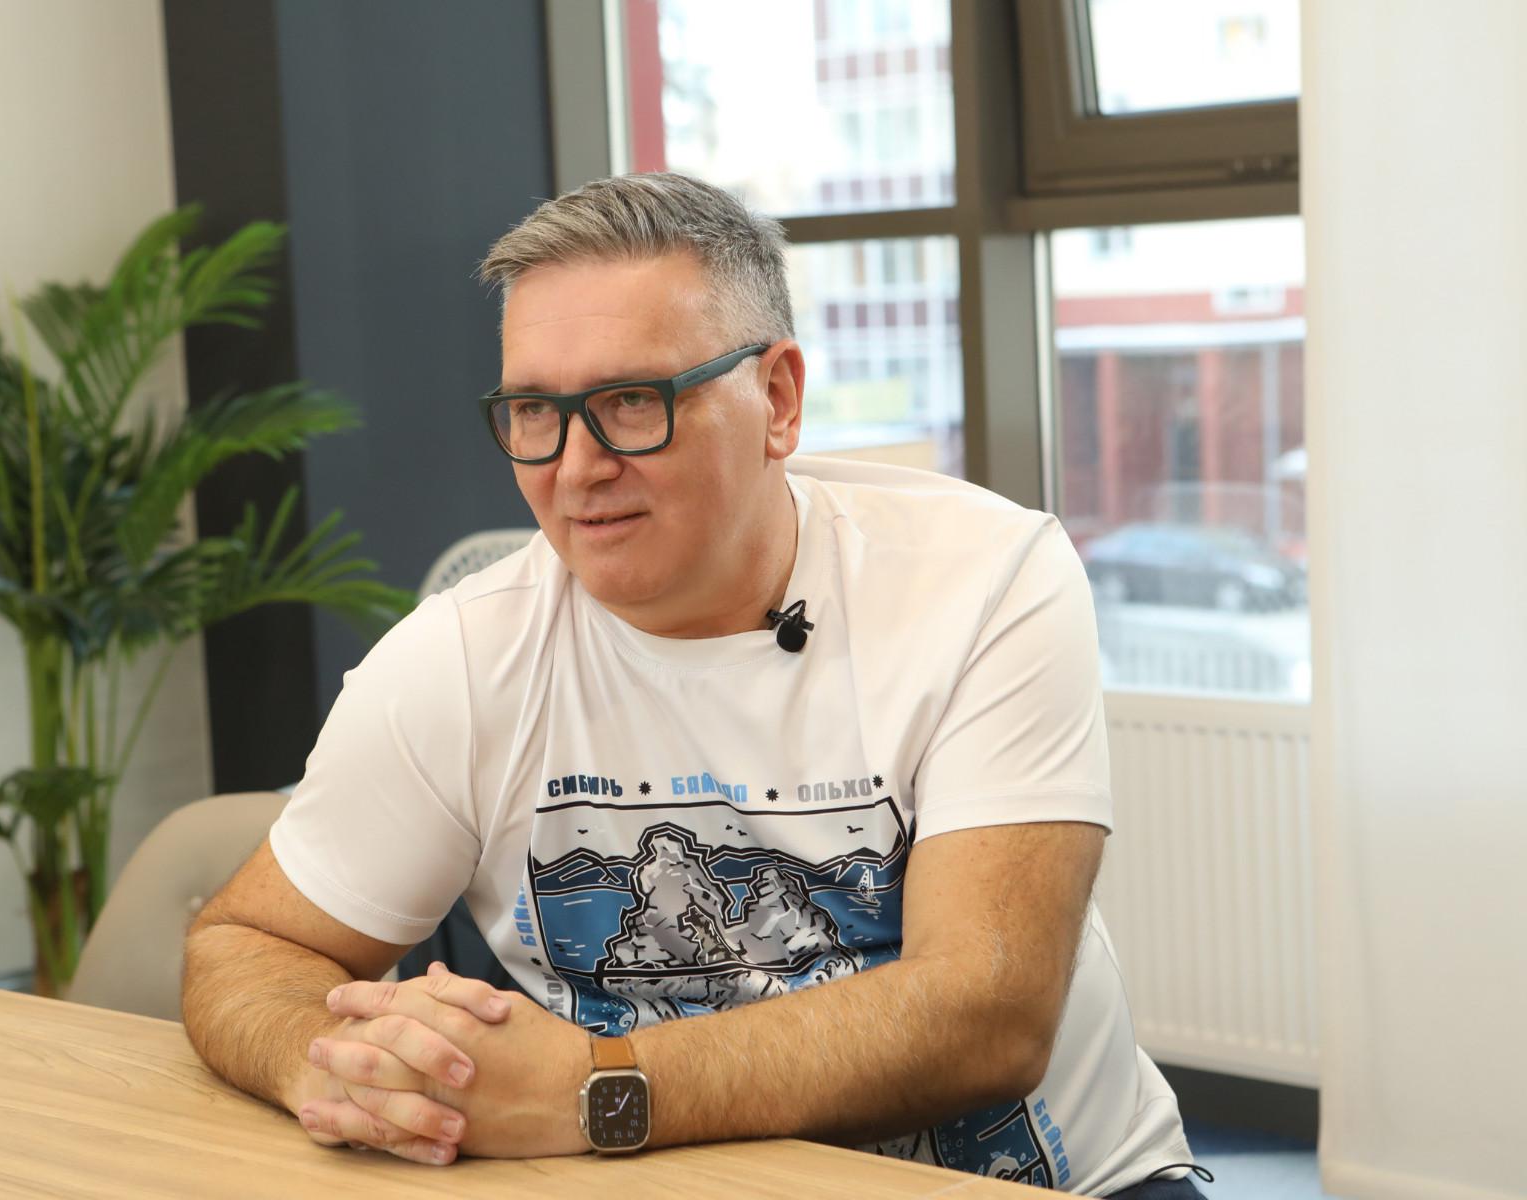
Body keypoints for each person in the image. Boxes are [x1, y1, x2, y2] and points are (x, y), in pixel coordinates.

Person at [181, 173, 1202, 1198]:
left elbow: (987, 1016)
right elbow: (248, 942)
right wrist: (340, 1068)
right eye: (535, 410)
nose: (576, 468)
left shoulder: (985, 578)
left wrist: (596, 1091)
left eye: (632, 402)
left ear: (778, 400)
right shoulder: (460, 656)